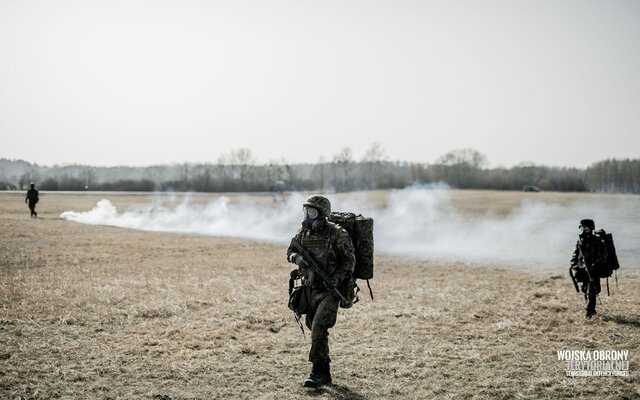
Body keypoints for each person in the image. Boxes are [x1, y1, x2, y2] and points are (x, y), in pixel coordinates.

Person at [286, 195, 355, 388]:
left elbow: (349, 262)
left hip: (329, 291)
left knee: (318, 328)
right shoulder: (303, 233)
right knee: (314, 329)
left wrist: (337, 278)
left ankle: (317, 372)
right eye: (306, 211)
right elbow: (290, 251)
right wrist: (297, 259)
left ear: (322, 214)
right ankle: (325, 371)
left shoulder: (337, 234)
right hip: (309, 288)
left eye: (312, 212)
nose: (308, 216)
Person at [570, 219, 607, 318]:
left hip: (594, 270)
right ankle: (590, 309)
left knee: (592, 291)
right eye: (582, 228)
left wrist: (595, 264)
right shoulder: (580, 240)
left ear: (591, 228)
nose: (584, 230)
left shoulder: (597, 240)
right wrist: (574, 265)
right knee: (585, 289)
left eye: (586, 228)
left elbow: (603, 255)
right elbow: (575, 254)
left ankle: (589, 311)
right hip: (582, 269)